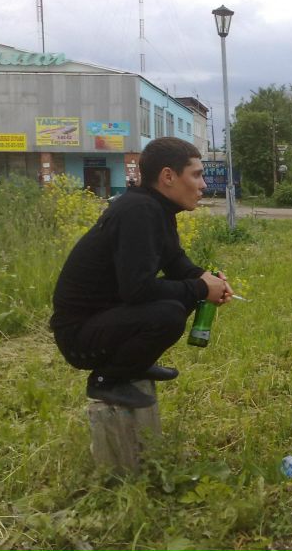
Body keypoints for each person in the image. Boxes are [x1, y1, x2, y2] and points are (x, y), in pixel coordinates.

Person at [50, 136, 233, 409]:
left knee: (183, 294)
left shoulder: (156, 208)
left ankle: (135, 365)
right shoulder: (139, 212)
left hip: (105, 320)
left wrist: (207, 279)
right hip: (79, 335)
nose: (203, 185)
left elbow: (176, 263)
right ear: (168, 176)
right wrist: (201, 289)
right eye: (196, 175)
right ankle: (105, 380)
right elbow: (137, 290)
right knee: (169, 314)